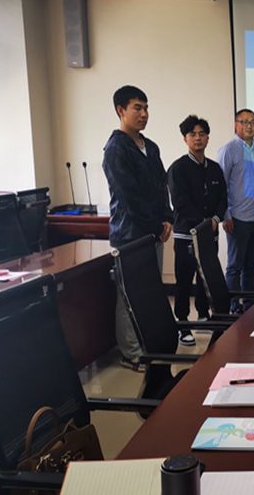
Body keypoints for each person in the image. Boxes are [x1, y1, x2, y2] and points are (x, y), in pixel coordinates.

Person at [102, 85, 173, 371]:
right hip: (130, 234)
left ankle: (150, 344)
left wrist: (167, 218)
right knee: (129, 295)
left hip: (154, 231)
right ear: (121, 110)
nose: (144, 114)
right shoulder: (116, 149)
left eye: (146, 108)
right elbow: (128, 196)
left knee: (150, 292)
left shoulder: (150, 146)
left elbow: (161, 186)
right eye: (137, 108)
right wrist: (155, 224)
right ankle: (131, 352)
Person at [167, 115, 227, 346]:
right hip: (186, 235)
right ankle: (182, 324)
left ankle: (203, 314)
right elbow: (179, 202)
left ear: (208, 138)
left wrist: (215, 219)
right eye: (192, 134)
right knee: (184, 279)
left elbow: (223, 198)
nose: (198, 138)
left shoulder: (215, 168)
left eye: (202, 134)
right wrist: (202, 223)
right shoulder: (178, 168)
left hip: (210, 233)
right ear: (185, 139)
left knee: (206, 276)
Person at [217, 108, 254, 309]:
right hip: (238, 218)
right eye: (245, 122)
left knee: (251, 266)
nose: (250, 126)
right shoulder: (228, 149)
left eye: (253, 122)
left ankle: (249, 307)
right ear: (236, 124)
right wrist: (226, 215)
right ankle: (232, 308)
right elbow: (221, 185)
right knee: (235, 267)